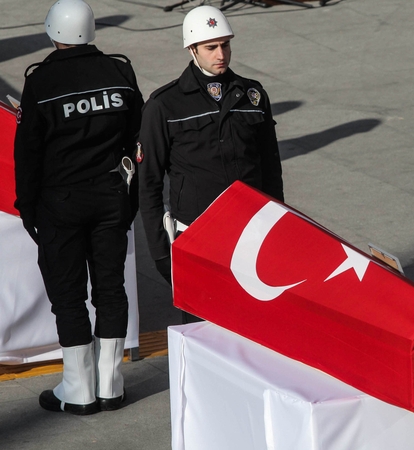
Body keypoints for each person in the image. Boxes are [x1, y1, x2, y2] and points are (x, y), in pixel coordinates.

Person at [14, 0, 143, 415]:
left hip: (61, 204)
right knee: (110, 289)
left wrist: (28, 209)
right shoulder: (120, 73)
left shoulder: (41, 81)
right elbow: (136, 145)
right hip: (110, 199)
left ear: (53, 32)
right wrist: (129, 201)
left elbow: (28, 154)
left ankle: (78, 388)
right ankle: (111, 383)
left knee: (68, 296)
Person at [138, 5, 284, 295]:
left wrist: (277, 229)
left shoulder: (252, 95)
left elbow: (271, 169)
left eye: (226, 45)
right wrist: (160, 254)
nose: (221, 54)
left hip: (250, 236)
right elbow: (149, 185)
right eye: (211, 47)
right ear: (192, 49)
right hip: (197, 238)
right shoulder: (164, 105)